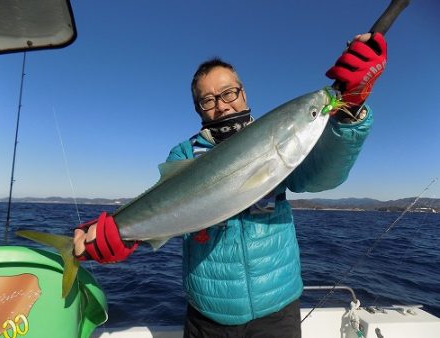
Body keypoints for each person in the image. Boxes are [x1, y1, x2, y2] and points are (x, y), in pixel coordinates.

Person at [73, 32, 387, 337]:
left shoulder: (275, 138)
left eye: (228, 93)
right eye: (208, 100)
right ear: (198, 109)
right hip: (208, 315)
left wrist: (349, 113)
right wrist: (121, 235)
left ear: (243, 93)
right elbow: (167, 212)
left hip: (277, 310)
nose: (221, 106)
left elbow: (323, 175)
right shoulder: (185, 154)